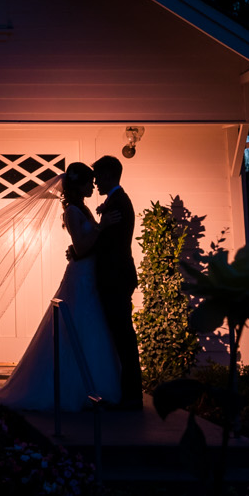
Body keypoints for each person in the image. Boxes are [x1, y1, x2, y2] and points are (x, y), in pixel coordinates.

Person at [0, 163, 122, 411]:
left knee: (91, 326)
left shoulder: (82, 208)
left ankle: (96, 385)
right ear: (79, 184)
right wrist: (102, 227)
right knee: (78, 323)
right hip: (81, 275)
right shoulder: (72, 211)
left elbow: (85, 243)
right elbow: (83, 247)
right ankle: (72, 388)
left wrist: (99, 224)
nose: (93, 186)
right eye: (89, 182)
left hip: (90, 274)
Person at [91, 153, 145, 409]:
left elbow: (108, 244)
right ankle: (128, 393)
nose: (96, 182)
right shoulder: (116, 201)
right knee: (122, 335)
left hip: (115, 277)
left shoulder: (117, 203)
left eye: (98, 176)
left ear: (110, 175)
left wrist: (82, 247)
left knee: (123, 336)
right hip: (117, 276)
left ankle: (132, 396)